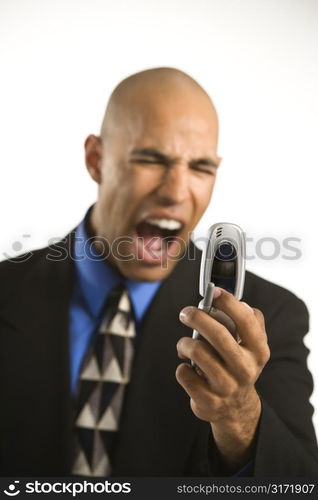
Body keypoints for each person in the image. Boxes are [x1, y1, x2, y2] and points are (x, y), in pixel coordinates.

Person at [0, 67, 317, 477]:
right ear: (96, 160)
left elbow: (297, 485)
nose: (175, 191)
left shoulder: (273, 316)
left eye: (201, 168)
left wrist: (238, 415)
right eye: (151, 159)